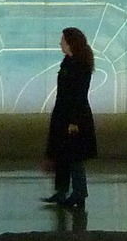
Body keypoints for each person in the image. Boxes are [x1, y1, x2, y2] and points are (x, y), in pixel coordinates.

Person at [41, 26, 97, 210]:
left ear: (71, 43)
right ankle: (62, 191)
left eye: (63, 40)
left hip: (75, 116)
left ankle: (79, 193)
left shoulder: (80, 66)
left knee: (74, 156)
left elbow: (78, 95)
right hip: (63, 114)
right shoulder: (68, 62)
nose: (60, 43)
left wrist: (74, 121)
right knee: (62, 154)